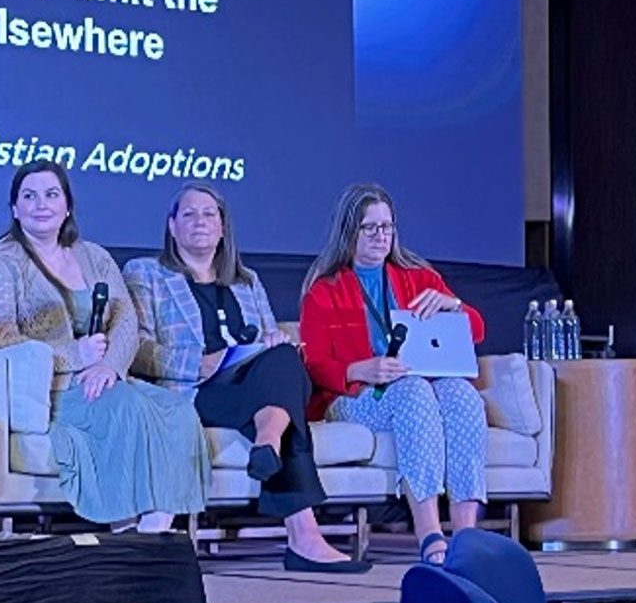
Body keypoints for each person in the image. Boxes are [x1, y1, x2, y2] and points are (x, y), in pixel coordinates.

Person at [124, 182, 369, 572]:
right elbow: (134, 347)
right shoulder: (146, 274)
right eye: (188, 214)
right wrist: (198, 364)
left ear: (223, 227)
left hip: (252, 384)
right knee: (282, 395)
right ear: (171, 227)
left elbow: (273, 338)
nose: (199, 222)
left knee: (285, 354)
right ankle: (303, 535)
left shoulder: (247, 281)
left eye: (209, 214)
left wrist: (273, 338)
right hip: (198, 390)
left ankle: (268, 441)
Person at [0, 161, 209, 532]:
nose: (40, 204)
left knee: (177, 409)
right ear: (15, 208)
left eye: (51, 194)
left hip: (106, 379)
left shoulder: (93, 255)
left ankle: (154, 535)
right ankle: (123, 530)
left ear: (67, 206)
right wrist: (75, 355)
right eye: (28, 196)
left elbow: (125, 319)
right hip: (51, 392)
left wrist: (107, 366)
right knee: (123, 407)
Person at [299, 183, 487, 565]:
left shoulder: (418, 277)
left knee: (463, 395)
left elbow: (478, 330)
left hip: (421, 386)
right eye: (370, 228)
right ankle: (430, 532)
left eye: (387, 227)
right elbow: (314, 363)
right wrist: (359, 369)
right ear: (348, 231)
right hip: (354, 395)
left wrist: (453, 305)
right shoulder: (324, 290)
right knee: (412, 390)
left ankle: (467, 537)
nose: (381, 236)